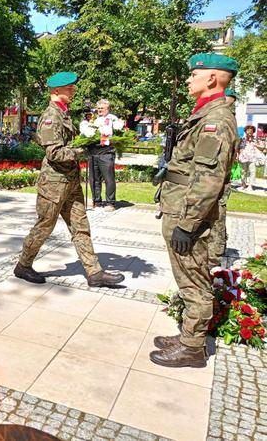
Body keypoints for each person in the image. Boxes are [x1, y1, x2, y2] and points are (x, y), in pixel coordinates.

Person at [150, 53, 238, 368]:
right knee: (187, 276)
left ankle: (192, 348)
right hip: (179, 206)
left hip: (190, 215)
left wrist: (187, 225)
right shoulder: (204, 115)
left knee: (194, 280)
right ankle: (188, 335)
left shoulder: (216, 120)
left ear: (211, 79)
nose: (189, 79)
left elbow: (209, 180)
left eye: (193, 75)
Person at [14, 71, 124, 288]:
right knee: (45, 225)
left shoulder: (64, 114)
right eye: (69, 88)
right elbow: (54, 154)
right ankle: (23, 265)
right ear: (56, 91)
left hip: (70, 181)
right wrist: (82, 150)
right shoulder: (50, 116)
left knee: (80, 226)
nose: (73, 90)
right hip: (54, 183)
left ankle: (94, 273)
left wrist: (88, 143)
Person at [208, 88, 240, 269]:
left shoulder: (225, 119)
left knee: (217, 216)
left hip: (218, 179)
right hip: (217, 178)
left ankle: (215, 256)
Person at [88, 99, 120, 211]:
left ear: (108, 109)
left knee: (108, 178)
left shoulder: (113, 119)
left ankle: (110, 202)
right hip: (93, 153)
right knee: (94, 179)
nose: (100, 110)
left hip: (106, 153)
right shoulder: (93, 119)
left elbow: (118, 134)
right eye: (99, 108)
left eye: (102, 108)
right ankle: (96, 201)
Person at [238, 124, 265, 191]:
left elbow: (263, 147)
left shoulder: (256, 139)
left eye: (251, 131)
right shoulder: (242, 139)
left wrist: (255, 144)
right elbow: (238, 148)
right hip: (243, 158)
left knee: (252, 172)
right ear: (245, 131)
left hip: (252, 158)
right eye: (248, 130)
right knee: (243, 172)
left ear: (253, 132)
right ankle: (243, 185)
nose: (250, 132)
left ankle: (250, 186)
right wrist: (237, 156)